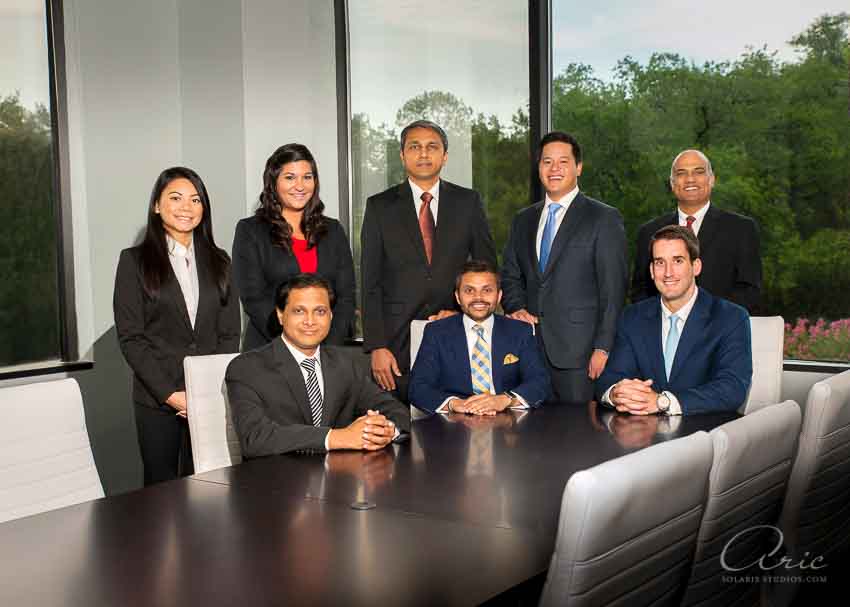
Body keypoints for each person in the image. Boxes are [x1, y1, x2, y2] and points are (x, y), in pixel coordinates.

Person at [114, 167, 240, 485]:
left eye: (195, 199)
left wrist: (207, 391)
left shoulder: (220, 261)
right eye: (176, 197)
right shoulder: (134, 262)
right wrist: (172, 395)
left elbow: (229, 333)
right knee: (162, 494)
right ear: (157, 205)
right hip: (158, 400)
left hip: (210, 396)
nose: (187, 207)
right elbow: (132, 338)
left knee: (211, 487)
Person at [360, 120, 497, 401]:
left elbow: (486, 270)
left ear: (444, 156)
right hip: (396, 341)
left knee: (453, 426)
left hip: (456, 330)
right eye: (415, 147)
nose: (423, 154)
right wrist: (376, 346)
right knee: (401, 427)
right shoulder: (379, 206)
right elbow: (370, 281)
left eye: (432, 147)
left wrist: (463, 313)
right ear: (402, 155)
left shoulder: (468, 202)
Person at [501, 131, 628, 404]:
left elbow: (614, 289)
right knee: (530, 436)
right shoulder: (523, 219)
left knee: (578, 438)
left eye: (563, 162)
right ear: (539, 168)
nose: (554, 169)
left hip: (580, 355)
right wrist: (515, 307)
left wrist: (603, 348)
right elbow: (510, 273)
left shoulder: (603, 218)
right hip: (530, 350)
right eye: (547, 162)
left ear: (578, 167)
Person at [226, 274, 410, 456]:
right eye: (299, 311)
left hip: (339, 478)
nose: (310, 321)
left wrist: (385, 430)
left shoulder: (345, 364)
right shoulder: (246, 369)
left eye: (320, 311)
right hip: (276, 480)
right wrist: (337, 437)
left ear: (330, 316)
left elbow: (395, 410)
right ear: (280, 315)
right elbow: (254, 438)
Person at [597, 225, 752, 415]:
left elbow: (732, 388)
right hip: (641, 435)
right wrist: (617, 393)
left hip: (704, 434)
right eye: (660, 263)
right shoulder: (633, 317)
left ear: (696, 267)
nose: (668, 273)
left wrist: (663, 402)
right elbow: (610, 378)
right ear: (652, 271)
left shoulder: (730, 318)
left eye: (677, 261)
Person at [233, 143, 355, 350]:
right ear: (273, 183)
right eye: (290, 177)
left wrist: (326, 346)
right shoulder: (250, 231)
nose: (300, 186)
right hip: (270, 351)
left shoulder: (333, 230)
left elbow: (346, 296)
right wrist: (294, 345)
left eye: (307, 177)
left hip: (327, 351)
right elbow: (254, 298)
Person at [409, 260, 551, 415]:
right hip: (454, 422)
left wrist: (505, 399)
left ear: (499, 296)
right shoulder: (436, 333)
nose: (478, 298)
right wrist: (454, 404)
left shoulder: (519, 331)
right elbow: (418, 388)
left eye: (487, 290)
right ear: (457, 297)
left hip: (508, 421)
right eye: (469, 291)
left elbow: (540, 381)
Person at [630, 149, 762, 312]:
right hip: (664, 330)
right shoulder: (649, 232)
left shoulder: (741, 229)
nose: (690, 179)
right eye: (681, 173)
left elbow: (749, 290)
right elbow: (640, 291)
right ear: (672, 183)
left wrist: (708, 318)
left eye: (698, 172)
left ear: (711, 179)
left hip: (718, 331)